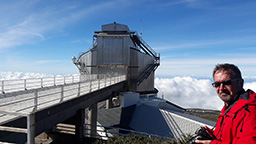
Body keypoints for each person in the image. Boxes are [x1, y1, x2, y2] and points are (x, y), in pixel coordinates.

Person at [195, 63, 256, 144]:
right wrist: (211, 135)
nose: (221, 88)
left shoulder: (250, 109)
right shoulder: (230, 106)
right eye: (217, 84)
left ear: (240, 83)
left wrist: (212, 143)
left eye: (227, 83)